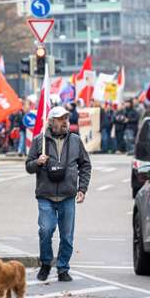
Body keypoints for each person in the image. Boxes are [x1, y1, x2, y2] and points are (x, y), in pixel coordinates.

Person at [27, 106, 92, 282]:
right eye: (60, 118)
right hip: (45, 195)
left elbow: (85, 165)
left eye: (66, 118)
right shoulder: (39, 140)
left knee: (67, 236)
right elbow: (28, 166)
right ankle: (46, 263)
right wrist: (37, 162)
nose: (64, 121)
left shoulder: (75, 140)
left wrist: (82, 188)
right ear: (51, 122)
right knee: (46, 230)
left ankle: (63, 268)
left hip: (67, 195)